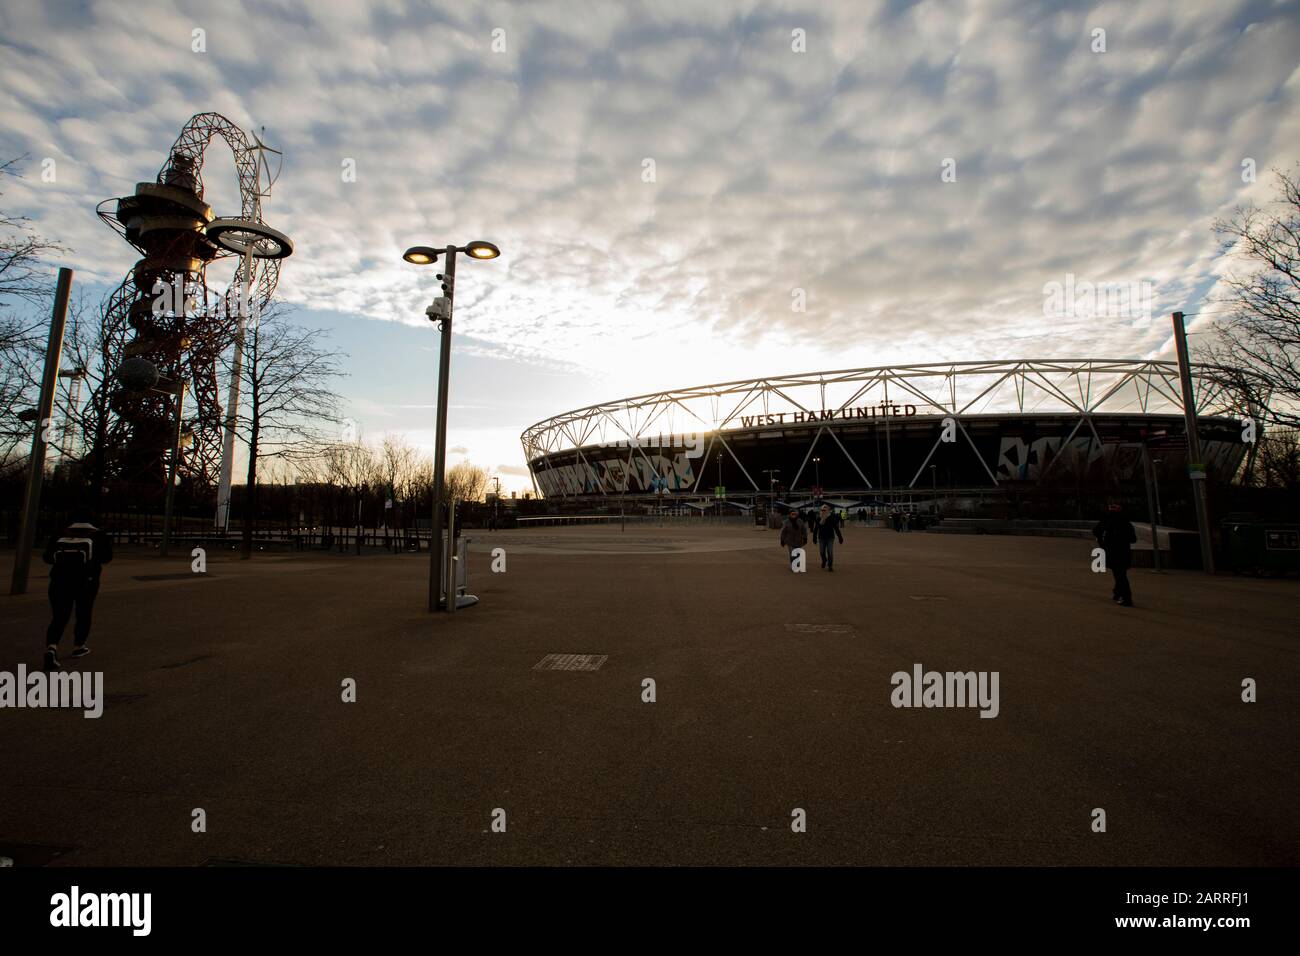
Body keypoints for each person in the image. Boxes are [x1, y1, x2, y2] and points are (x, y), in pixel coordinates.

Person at [41, 508, 113, 670]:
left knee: (59, 616)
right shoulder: (98, 535)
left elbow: (47, 557)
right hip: (87, 581)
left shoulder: (61, 533)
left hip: (59, 581)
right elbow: (106, 558)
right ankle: (78, 646)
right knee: (84, 612)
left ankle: (51, 648)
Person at [1093, 503, 1137, 607]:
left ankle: (1126, 598)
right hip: (1123, 552)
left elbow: (1096, 531)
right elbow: (1133, 539)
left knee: (1119, 575)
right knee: (1120, 574)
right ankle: (1117, 593)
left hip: (1112, 551)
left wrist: (1102, 543)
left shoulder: (1107, 521)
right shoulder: (1126, 523)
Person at [812, 503, 845, 571]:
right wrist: (814, 538)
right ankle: (824, 560)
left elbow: (836, 528)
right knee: (822, 552)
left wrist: (840, 537)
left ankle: (830, 566)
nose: (823, 511)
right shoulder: (819, 518)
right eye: (822, 510)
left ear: (828, 510)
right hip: (821, 538)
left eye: (825, 510)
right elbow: (816, 529)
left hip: (830, 538)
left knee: (830, 552)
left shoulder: (831, 518)